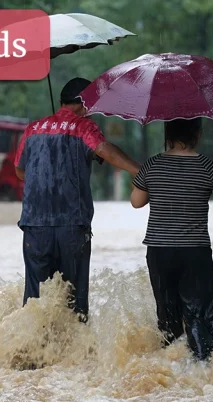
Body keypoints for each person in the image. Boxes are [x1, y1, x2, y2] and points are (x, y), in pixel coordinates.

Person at [14, 77, 140, 323]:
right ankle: (74, 357)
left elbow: (20, 171)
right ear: (85, 103)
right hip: (72, 225)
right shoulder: (84, 127)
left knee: (35, 302)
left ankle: (30, 354)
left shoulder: (33, 129)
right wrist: (139, 170)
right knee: (74, 301)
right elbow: (105, 151)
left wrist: (47, 171)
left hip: (34, 226)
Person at [130, 118, 213, 361]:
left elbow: (136, 202)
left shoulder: (152, 165)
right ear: (197, 134)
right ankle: (200, 365)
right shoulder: (208, 166)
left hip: (159, 251)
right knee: (199, 314)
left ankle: (171, 366)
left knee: (167, 312)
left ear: (167, 133)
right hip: (194, 251)